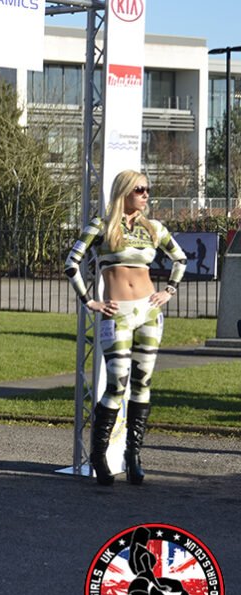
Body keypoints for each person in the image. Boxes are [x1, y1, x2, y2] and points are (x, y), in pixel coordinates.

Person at [64, 169, 187, 486]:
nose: (146, 195)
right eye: (140, 189)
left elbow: (181, 259)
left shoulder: (153, 228)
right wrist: (89, 301)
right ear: (124, 192)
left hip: (148, 311)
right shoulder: (102, 226)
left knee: (142, 382)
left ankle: (133, 457)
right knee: (116, 384)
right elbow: (71, 262)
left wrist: (169, 290)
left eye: (148, 189)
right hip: (115, 312)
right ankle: (99, 457)